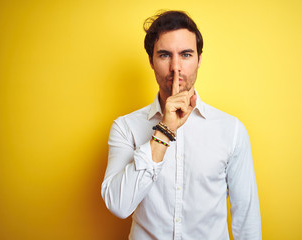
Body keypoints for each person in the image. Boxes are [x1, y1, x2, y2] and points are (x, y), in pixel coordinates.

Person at [101, 10, 261, 240]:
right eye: (165, 55)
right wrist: (165, 129)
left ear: (199, 59)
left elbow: (247, 220)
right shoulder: (125, 128)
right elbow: (118, 204)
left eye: (186, 55)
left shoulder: (232, 130)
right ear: (151, 61)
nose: (176, 67)